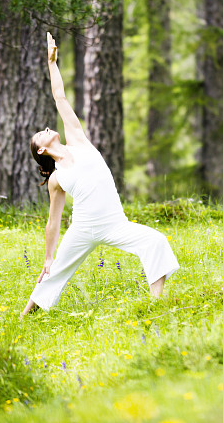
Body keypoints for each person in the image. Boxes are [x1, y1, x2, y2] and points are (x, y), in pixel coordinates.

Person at [20, 32, 180, 318]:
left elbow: (60, 96)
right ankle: (24, 315)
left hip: (113, 224)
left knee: (156, 241)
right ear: (42, 151)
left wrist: (52, 63)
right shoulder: (56, 180)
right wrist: (47, 257)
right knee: (54, 271)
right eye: (40, 135)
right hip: (82, 228)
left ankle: (158, 305)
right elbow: (53, 221)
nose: (46, 129)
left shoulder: (77, 139)